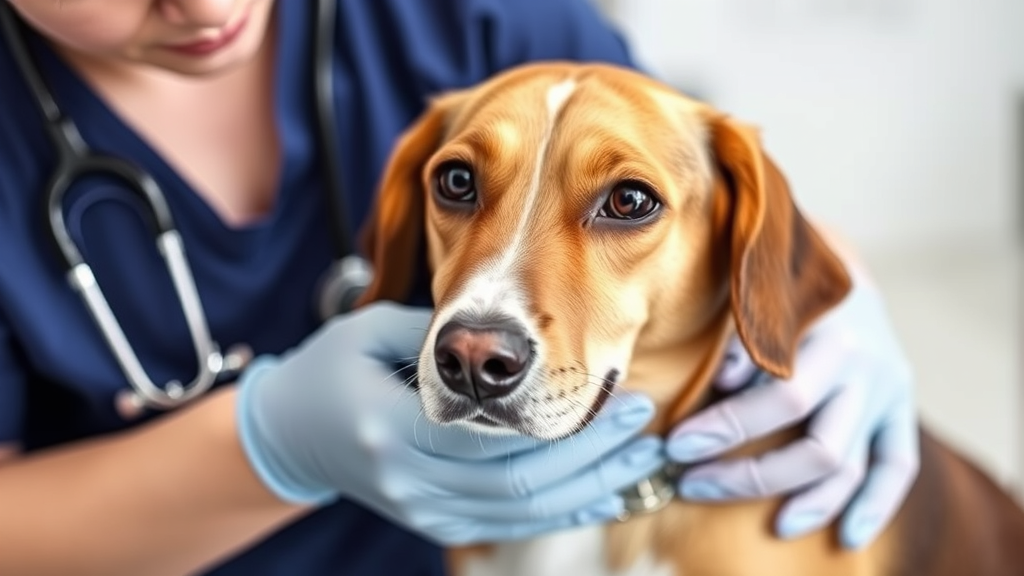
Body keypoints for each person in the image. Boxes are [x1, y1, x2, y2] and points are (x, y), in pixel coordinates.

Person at [0, 0, 919, 574]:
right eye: (459, 184)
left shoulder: (488, 17)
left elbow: (702, 187)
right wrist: (268, 446)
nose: (204, 3)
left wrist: (840, 294)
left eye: (620, 203)